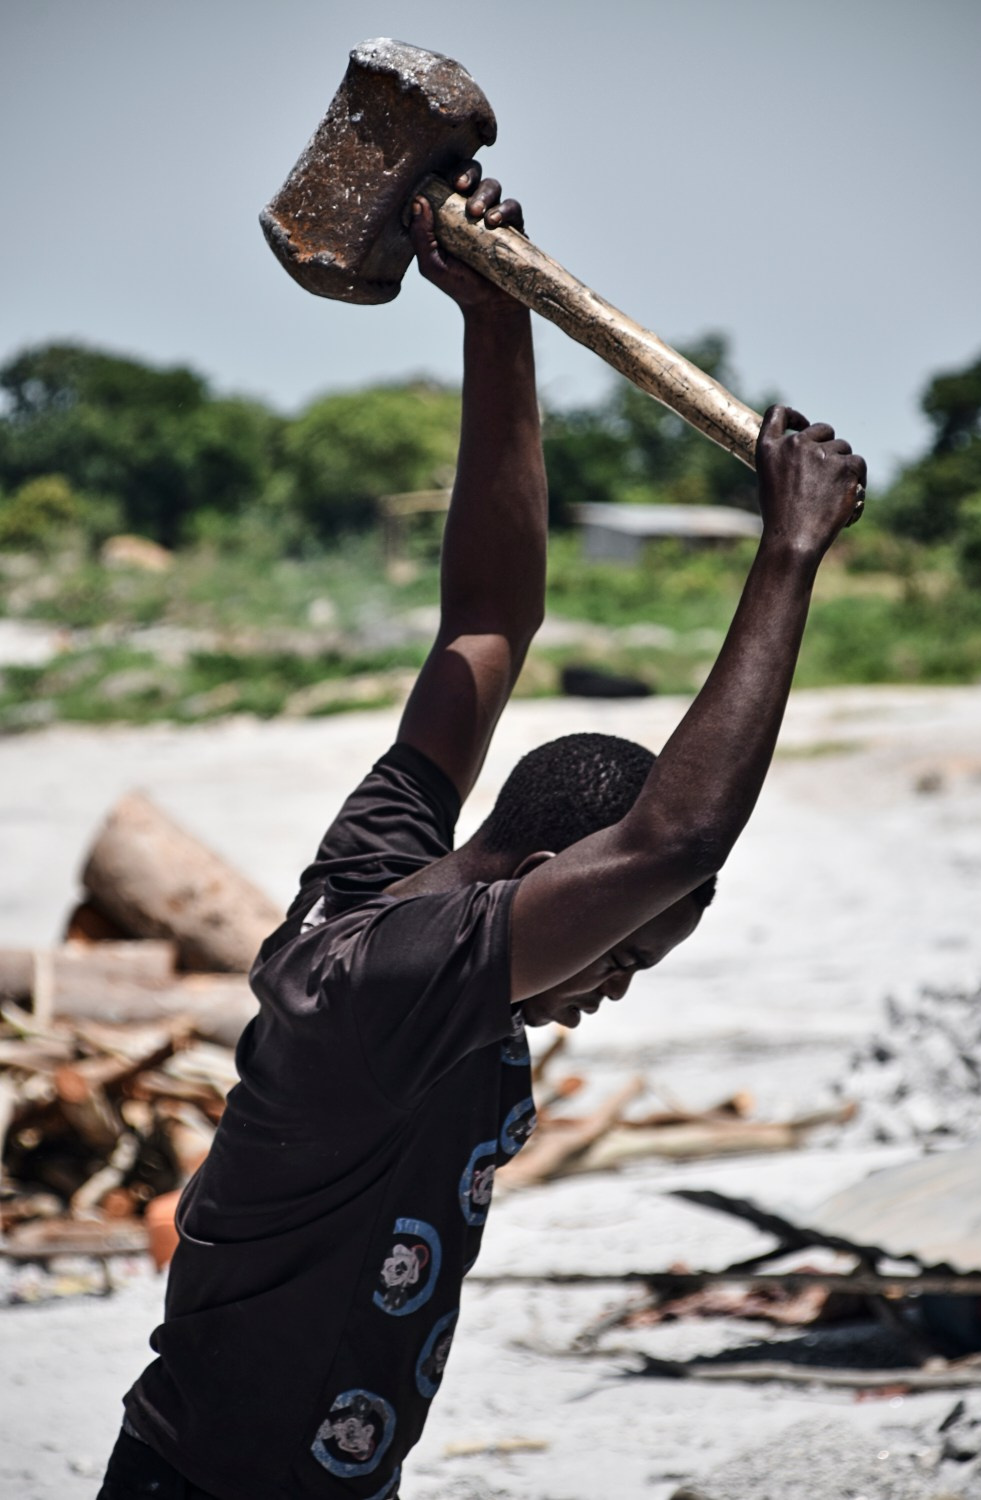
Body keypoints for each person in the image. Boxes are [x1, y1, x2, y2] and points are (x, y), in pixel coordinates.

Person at [98, 163, 866, 1500]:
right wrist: (785, 554)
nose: (611, 987)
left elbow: (487, 619)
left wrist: (494, 315)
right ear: (551, 872)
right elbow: (675, 842)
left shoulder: (375, 872)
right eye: (623, 954)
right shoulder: (399, 978)